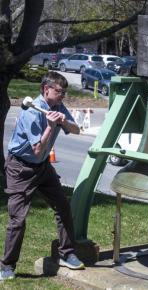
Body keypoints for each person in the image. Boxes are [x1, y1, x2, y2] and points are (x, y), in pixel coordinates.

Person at [0, 71, 84, 280]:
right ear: (46, 90)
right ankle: (7, 267)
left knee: (63, 206)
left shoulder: (57, 107)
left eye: (64, 91)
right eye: (59, 91)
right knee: (18, 219)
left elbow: (77, 131)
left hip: (43, 167)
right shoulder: (31, 111)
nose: (62, 95)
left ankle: (66, 253)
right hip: (20, 168)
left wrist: (64, 121)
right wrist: (50, 126)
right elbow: (37, 149)